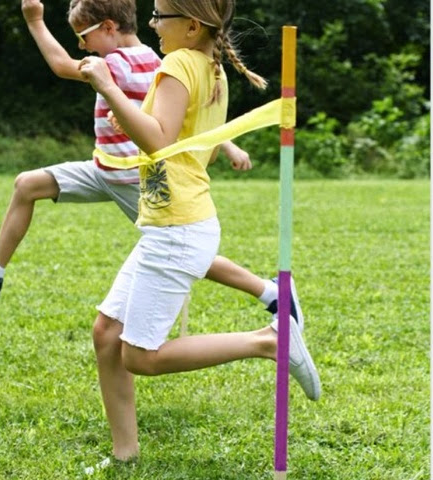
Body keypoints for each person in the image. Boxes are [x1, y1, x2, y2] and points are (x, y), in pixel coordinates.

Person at [79, 0, 321, 462]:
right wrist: (127, 114)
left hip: (178, 227)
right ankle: (125, 452)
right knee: (107, 333)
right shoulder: (210, 68)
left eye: (159, 16)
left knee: (140, 356)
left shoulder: (178, 64)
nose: (152, 25)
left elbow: (159, 139)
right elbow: (184, 142)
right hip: (175, 223)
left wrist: (108, 87)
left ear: (191, 26)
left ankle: (270, 341)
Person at [0, 0, 302, 334]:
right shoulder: (155, 59)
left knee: (181, 251)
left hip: (132, 177)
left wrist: (35, 21)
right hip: (103, 168)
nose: (82, 47)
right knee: (27, 184)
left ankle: (268, 291)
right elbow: (185, 115)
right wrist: (225, 143)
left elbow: (61, 65)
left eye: (83, 36)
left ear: (109, 27)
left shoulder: (117, 63)